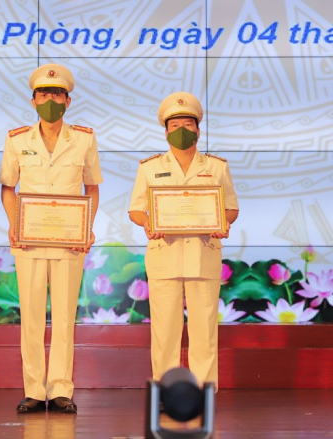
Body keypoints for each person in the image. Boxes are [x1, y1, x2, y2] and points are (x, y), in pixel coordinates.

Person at [0, 64, 102, 414]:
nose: (50, 101)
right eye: (44, 95)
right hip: (28, 241)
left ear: (68, 101)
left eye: (57, 95)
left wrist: (87, 227)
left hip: (69, 241)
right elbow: (8, 188)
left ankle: (60, 389)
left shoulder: (84, 138)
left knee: (64, 317)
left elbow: (92, 187)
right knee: (30, 317)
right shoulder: (17, 139)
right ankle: (33, 389)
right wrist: (14, 224)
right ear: (33, 100)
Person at [128, 92, 239, 388]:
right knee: (164, 331)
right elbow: (136, 209)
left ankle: (205, 392)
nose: (182, 131)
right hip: (164, 253)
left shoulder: (217, 167)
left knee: (204, 330)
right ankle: (166, 391)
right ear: (165, 132)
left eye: (188, 125)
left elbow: (231, 207)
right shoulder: (149, 167)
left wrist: (224, 222)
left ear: (198, 130)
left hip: (204, 251)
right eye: (175, 126)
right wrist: (147, 222)